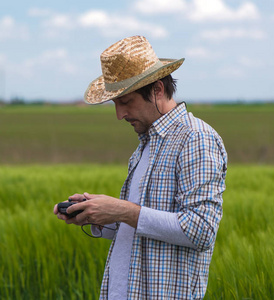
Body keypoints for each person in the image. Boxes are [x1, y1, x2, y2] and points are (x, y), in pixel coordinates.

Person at [53, 35, 227, 299]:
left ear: (157, 90)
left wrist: (122, 209)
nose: (119, 115)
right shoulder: (145, 145)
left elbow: (200, 230)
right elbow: (144, 226)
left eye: (125, 102)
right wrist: (97, 214)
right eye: (115, 104)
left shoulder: (195, 138)